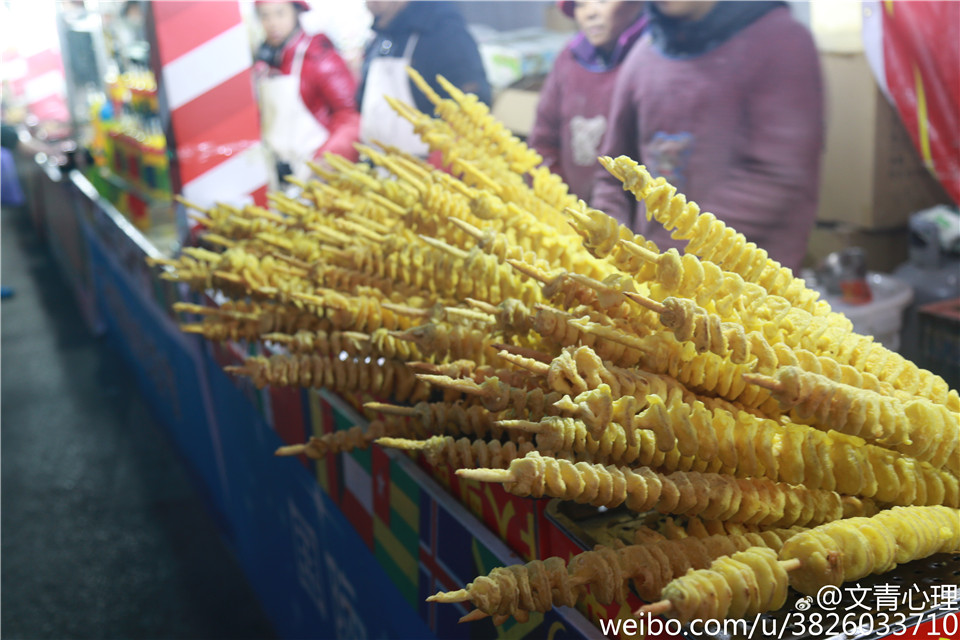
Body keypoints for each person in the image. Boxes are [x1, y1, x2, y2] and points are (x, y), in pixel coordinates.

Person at [590, 1, 824, 272]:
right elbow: (613, 170)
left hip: (744, 294)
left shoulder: (782, 41)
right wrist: (610, 237)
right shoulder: (644, 53)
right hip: (653, 283)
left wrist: (664, 257)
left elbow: (775, 177)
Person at [529, 1, 647, 200]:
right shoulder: (568, 60)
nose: (590, 13)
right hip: (574, 209)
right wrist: (557, 200)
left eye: (602, 1)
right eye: (581, 4)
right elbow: (543, 139)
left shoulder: (650, 62)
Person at [358, 1, 491, 157]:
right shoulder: (379, 39)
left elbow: (472, 109)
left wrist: (440, 163)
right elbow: (360, 103)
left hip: (428, 170)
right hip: (377, 165)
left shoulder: (445, 32)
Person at [254, 0, 360, 182]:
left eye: (280, 14)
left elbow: (350, 115)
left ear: (296, 13)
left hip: (321, 173)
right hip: (283, 175)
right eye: (265, 16)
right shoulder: (264, 66)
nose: (272, 23)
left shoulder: (319, 56)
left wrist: (329, 159)